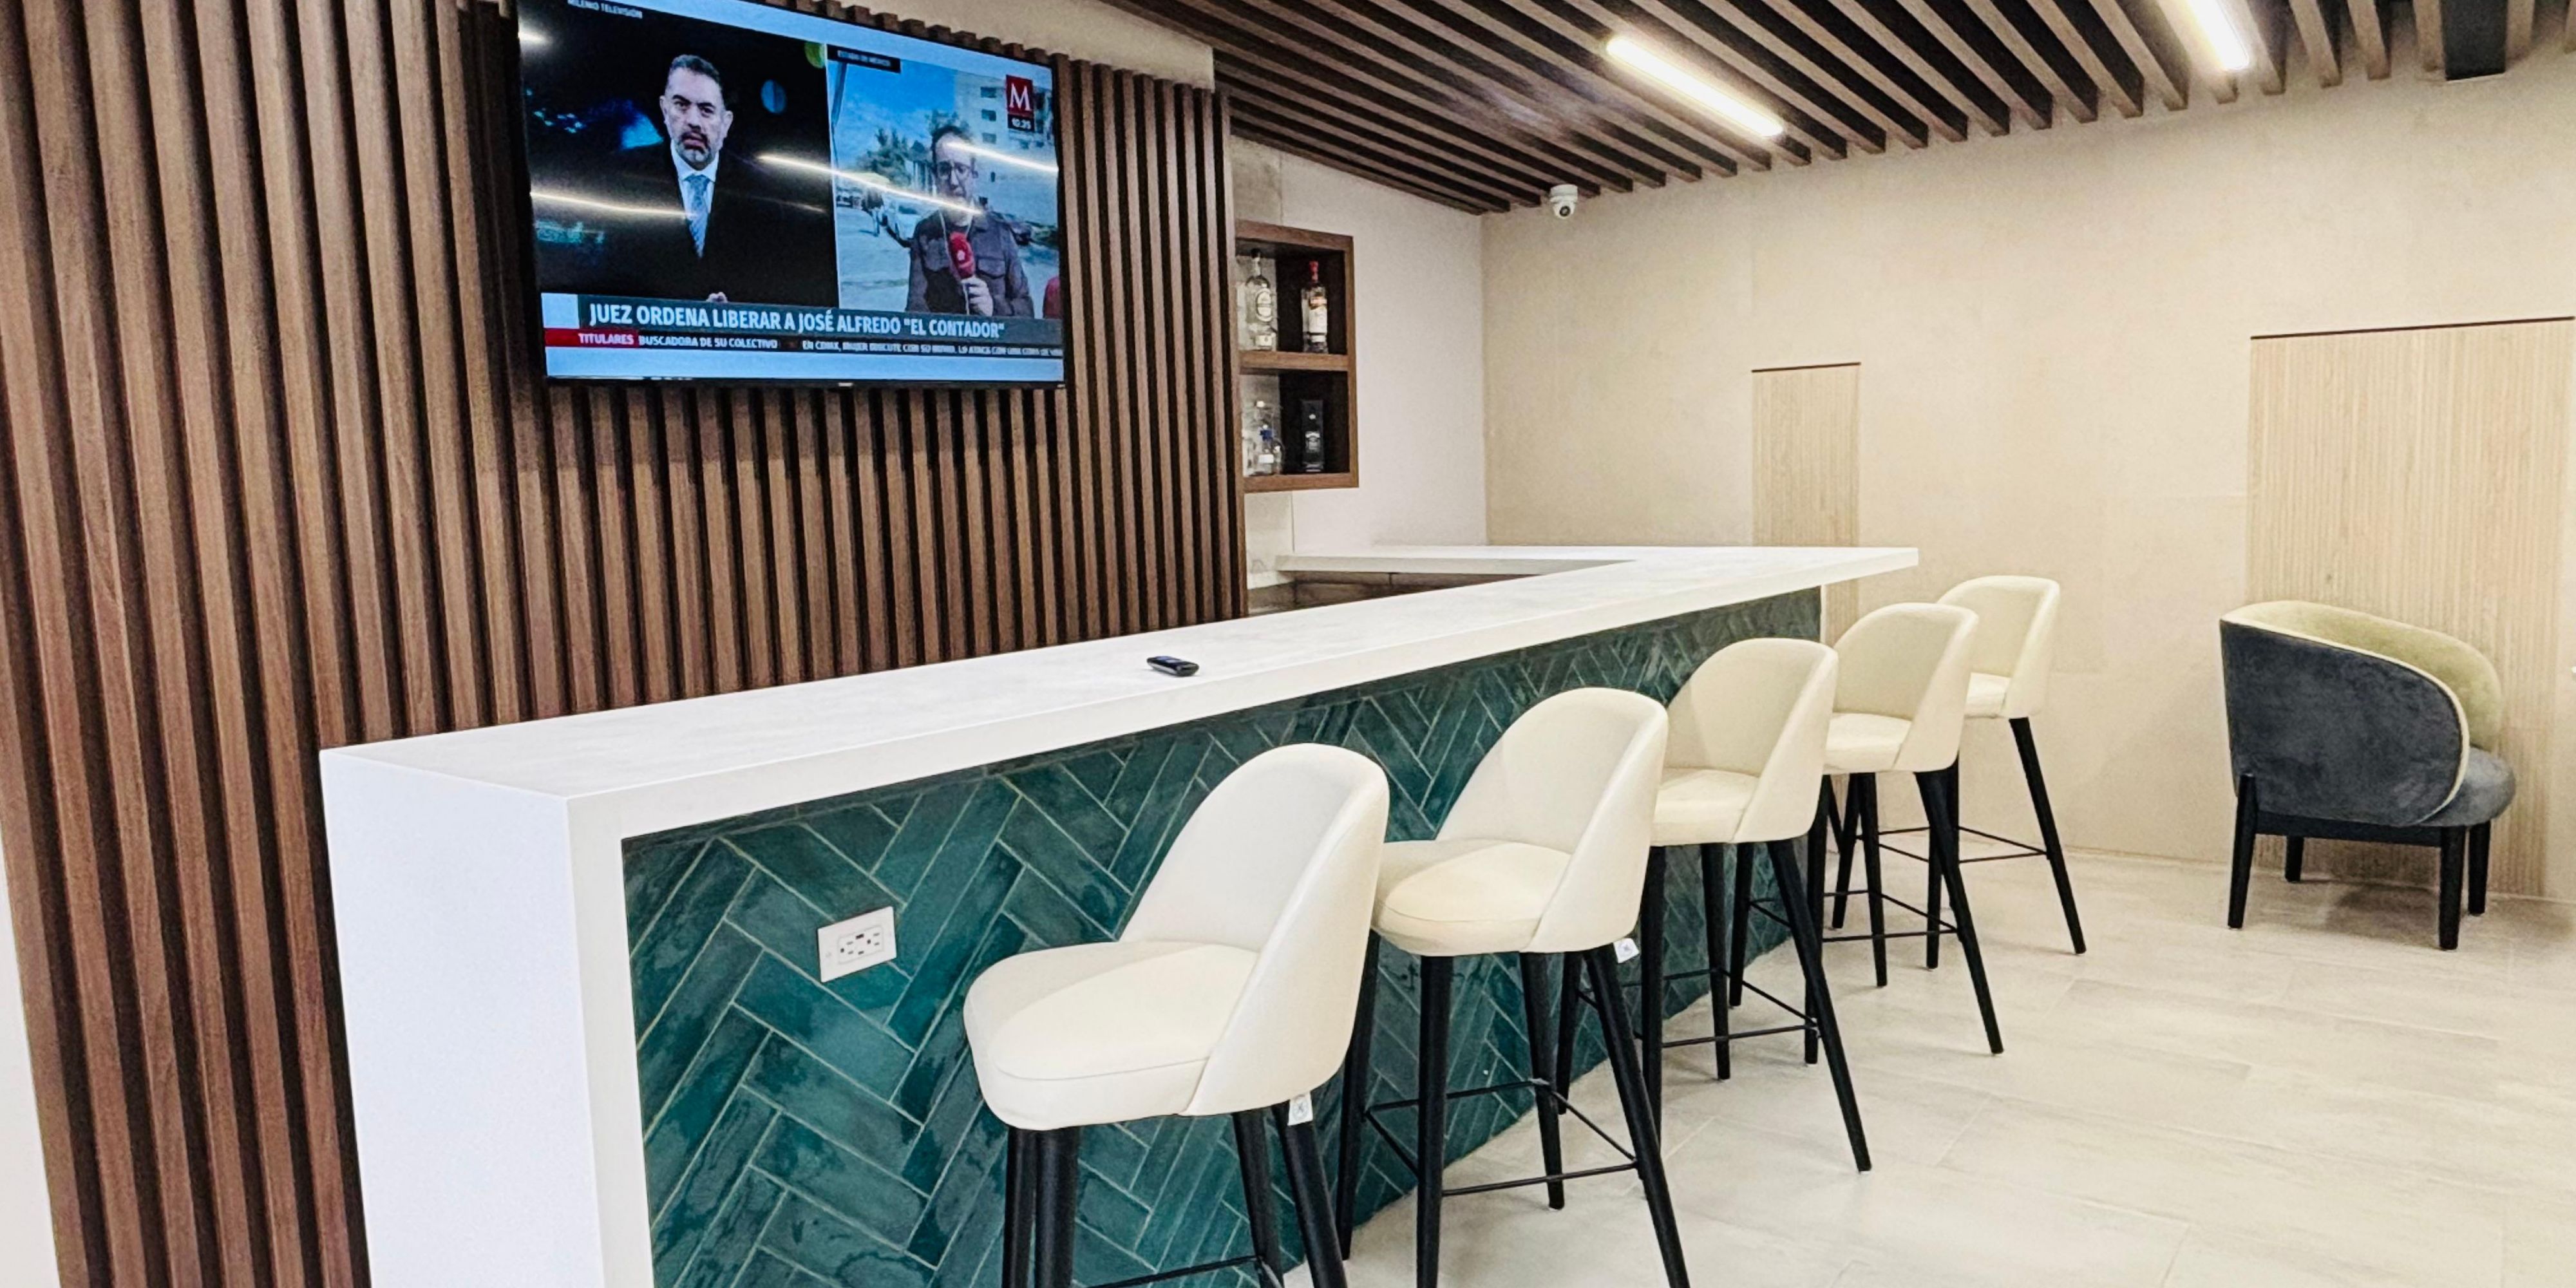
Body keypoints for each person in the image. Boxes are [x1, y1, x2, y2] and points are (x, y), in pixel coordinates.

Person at [544, 54, 836, 307]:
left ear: (726, 123)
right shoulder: (623, 174)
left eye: (706, 110)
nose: (694, 121)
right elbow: (602, 277)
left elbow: (782, 282)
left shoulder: (764, 190)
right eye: (682, 105)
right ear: (665, 110)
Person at [904, 126, 1034, 317]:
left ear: (974, 175)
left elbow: (1027, 309)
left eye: (961, 169)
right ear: (936, 178)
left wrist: (995, 308)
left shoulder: (1000, 233)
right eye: (944, 170)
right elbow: (915, 310)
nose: (953, 181)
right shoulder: (925, 233)